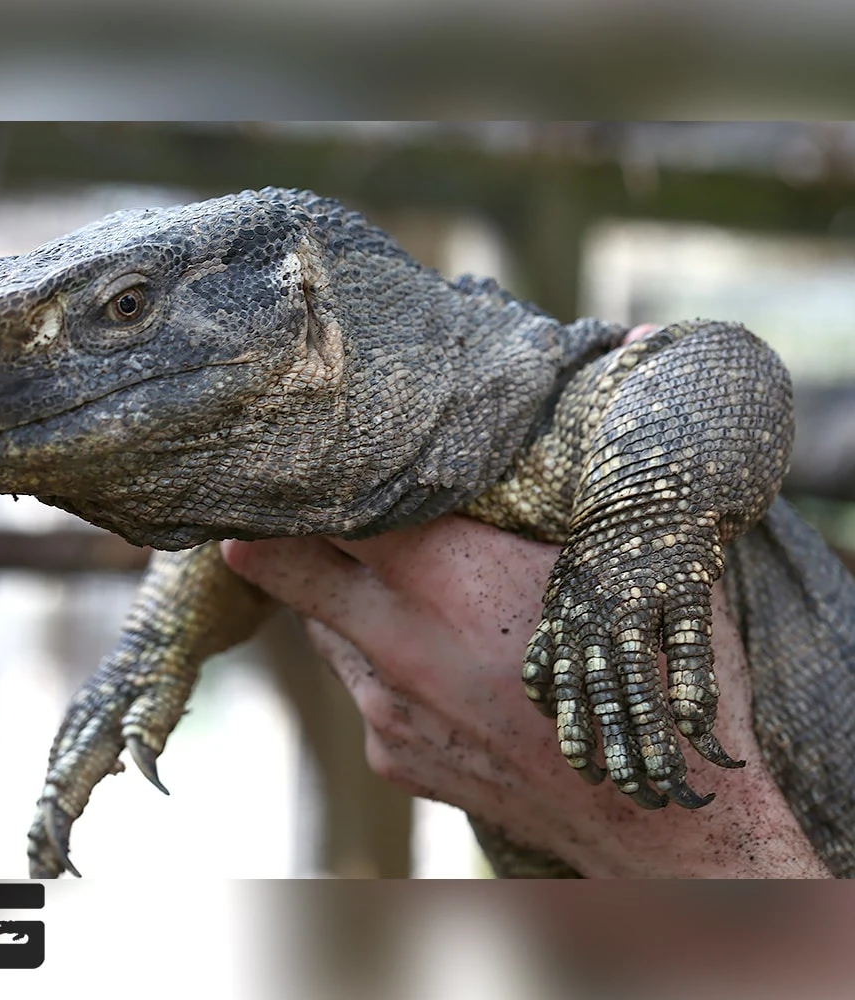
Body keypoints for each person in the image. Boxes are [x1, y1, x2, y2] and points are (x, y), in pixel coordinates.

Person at [219, 325, 829, 878]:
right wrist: (156, 647)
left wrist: (693, 848)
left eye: (131, 307)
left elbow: (720, 364)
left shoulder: (533, 406)